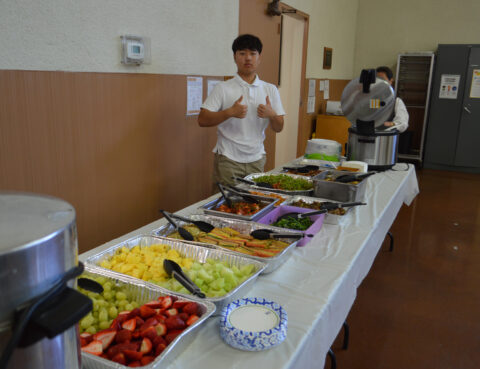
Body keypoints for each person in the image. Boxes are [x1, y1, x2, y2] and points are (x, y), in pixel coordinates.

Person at [198, 34, 285, 189]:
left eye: (253, 53)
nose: (248, 58)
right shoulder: (223, 88)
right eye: (242, 53)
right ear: (235, 57)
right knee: (226, 203)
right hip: (228, 158)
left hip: (257, 158)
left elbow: (279, 127)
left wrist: (272, 115)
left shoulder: (270, 89)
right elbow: (202, 120)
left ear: (259, 58)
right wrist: (229, 112)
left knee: (253, 202)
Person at [376, 66, 409, 133]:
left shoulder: (397, 101)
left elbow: (403, 123)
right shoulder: (370, 99)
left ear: (391, 81)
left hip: (386, 138)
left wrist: (391, 124)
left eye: (383, 80)